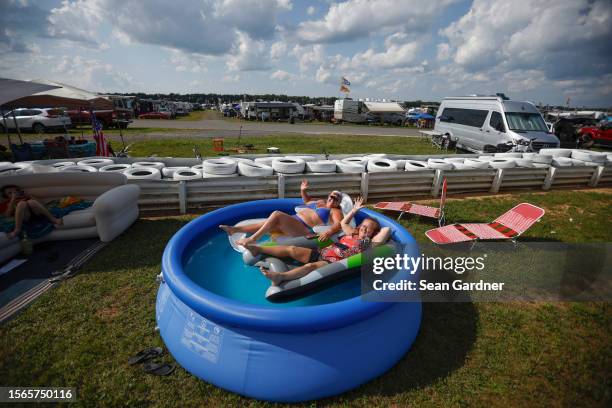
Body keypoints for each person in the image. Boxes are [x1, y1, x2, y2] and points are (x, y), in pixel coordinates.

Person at [244, 196, 391, 286]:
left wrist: (368, 236)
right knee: (292, 249)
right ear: (359, 227)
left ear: (373, 233)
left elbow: (386, 231)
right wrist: (354, 210)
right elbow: (344, 223)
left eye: (369, 229)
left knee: (311, 267)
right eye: (363, 226)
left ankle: (280, 277)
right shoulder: (351, 233)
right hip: (323, 251)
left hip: (333, 261)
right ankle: (258, 249)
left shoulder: (369, 243)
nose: (365, 229)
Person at [220, 179, 344, 245]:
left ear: (339, 202)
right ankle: (234, 230)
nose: (332, 199)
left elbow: (339, 224)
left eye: (336, 198)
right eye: (332, 196)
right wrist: (303, 191)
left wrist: (328, 232)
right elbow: (307, 201)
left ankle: (253, 239)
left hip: (303, 228)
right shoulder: (320, 202)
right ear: (329, 196)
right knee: (266, 223)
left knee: (276, 214)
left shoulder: (335, 210)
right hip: (293, 221)